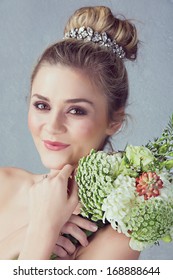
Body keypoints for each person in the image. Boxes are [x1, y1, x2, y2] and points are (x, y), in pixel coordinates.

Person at [0, 6, 140, 260]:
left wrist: (43, 230)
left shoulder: (115, 238)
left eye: (76, 111)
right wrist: (32, 232)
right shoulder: (4, 184)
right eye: (42, 105)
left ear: (114, 120)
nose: (53, 125)